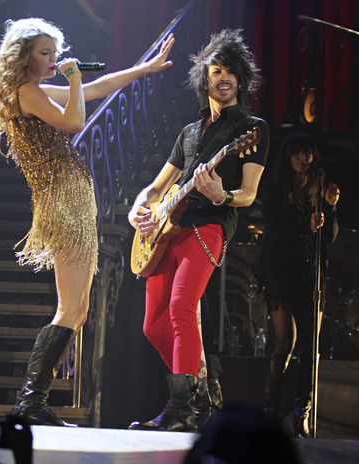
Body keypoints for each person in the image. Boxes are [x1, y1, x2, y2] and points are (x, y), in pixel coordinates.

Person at [0, 17, 174, 426]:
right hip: (65, 199)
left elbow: (94, 90)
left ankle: (32, 401)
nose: (54, 59)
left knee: (78, 309)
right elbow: (74, 121)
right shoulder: (26, 91)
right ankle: (30, 402)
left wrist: (144, 69)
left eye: (56, 52)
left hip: (69, 197)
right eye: (45, 53)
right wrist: (72, 81)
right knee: (71, 308)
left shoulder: (33, 90)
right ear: (24, 57)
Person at [127, 29, 269, 432]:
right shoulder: (188, 133)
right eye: (216, 71)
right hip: (167, 229)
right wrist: (140, 208)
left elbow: (248, 193)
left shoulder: (251, 129)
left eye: (231, 71)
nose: (224, 78)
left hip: (209, 226)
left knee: (181, 308)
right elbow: (157, 187)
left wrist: (222, 195)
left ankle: (180, 411)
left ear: (241, 80)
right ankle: (202, 396)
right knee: (153, 324)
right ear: (205, 81)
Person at [258, 133, 340, 438]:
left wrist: (331, 208)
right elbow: (272, 229)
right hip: (281, 269)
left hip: (311, 273)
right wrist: (304, 227)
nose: (303, 159)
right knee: (285, 341)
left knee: (311, 344)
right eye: (297, 153)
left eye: (307, 154)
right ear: (288, 156)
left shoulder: (319, 188)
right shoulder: (274, 187)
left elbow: (329, 237)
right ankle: (271, 411)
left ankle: (301, 413)